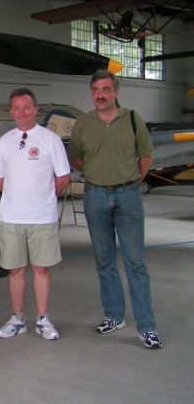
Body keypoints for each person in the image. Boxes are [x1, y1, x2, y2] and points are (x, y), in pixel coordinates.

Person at [68, 70, 162, 349]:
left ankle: (147, 327)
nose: (100, 94)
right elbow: (76, 159)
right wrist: (100, 176)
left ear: (116, 92)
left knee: (135, 263)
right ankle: (113, 315)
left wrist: (129, 181)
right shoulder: (83, 123)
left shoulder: (133, 119)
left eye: (106, 89)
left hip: (128, 196)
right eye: (96, 89)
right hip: (95, 196)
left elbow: (145, 157)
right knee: (104, 261)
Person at [0, 88, 71, 340]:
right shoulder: (5, 141)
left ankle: (43, 319)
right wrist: (17, 195)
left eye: (26, 107)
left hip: (42, 218)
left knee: (40, 269)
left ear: (36, 109)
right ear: (11, 111)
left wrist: (43, 196)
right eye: (16, 108)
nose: (22, 113)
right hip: (11, 218)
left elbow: (64, 176)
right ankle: (17, 318)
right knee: (14, 270)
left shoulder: (50, 139)